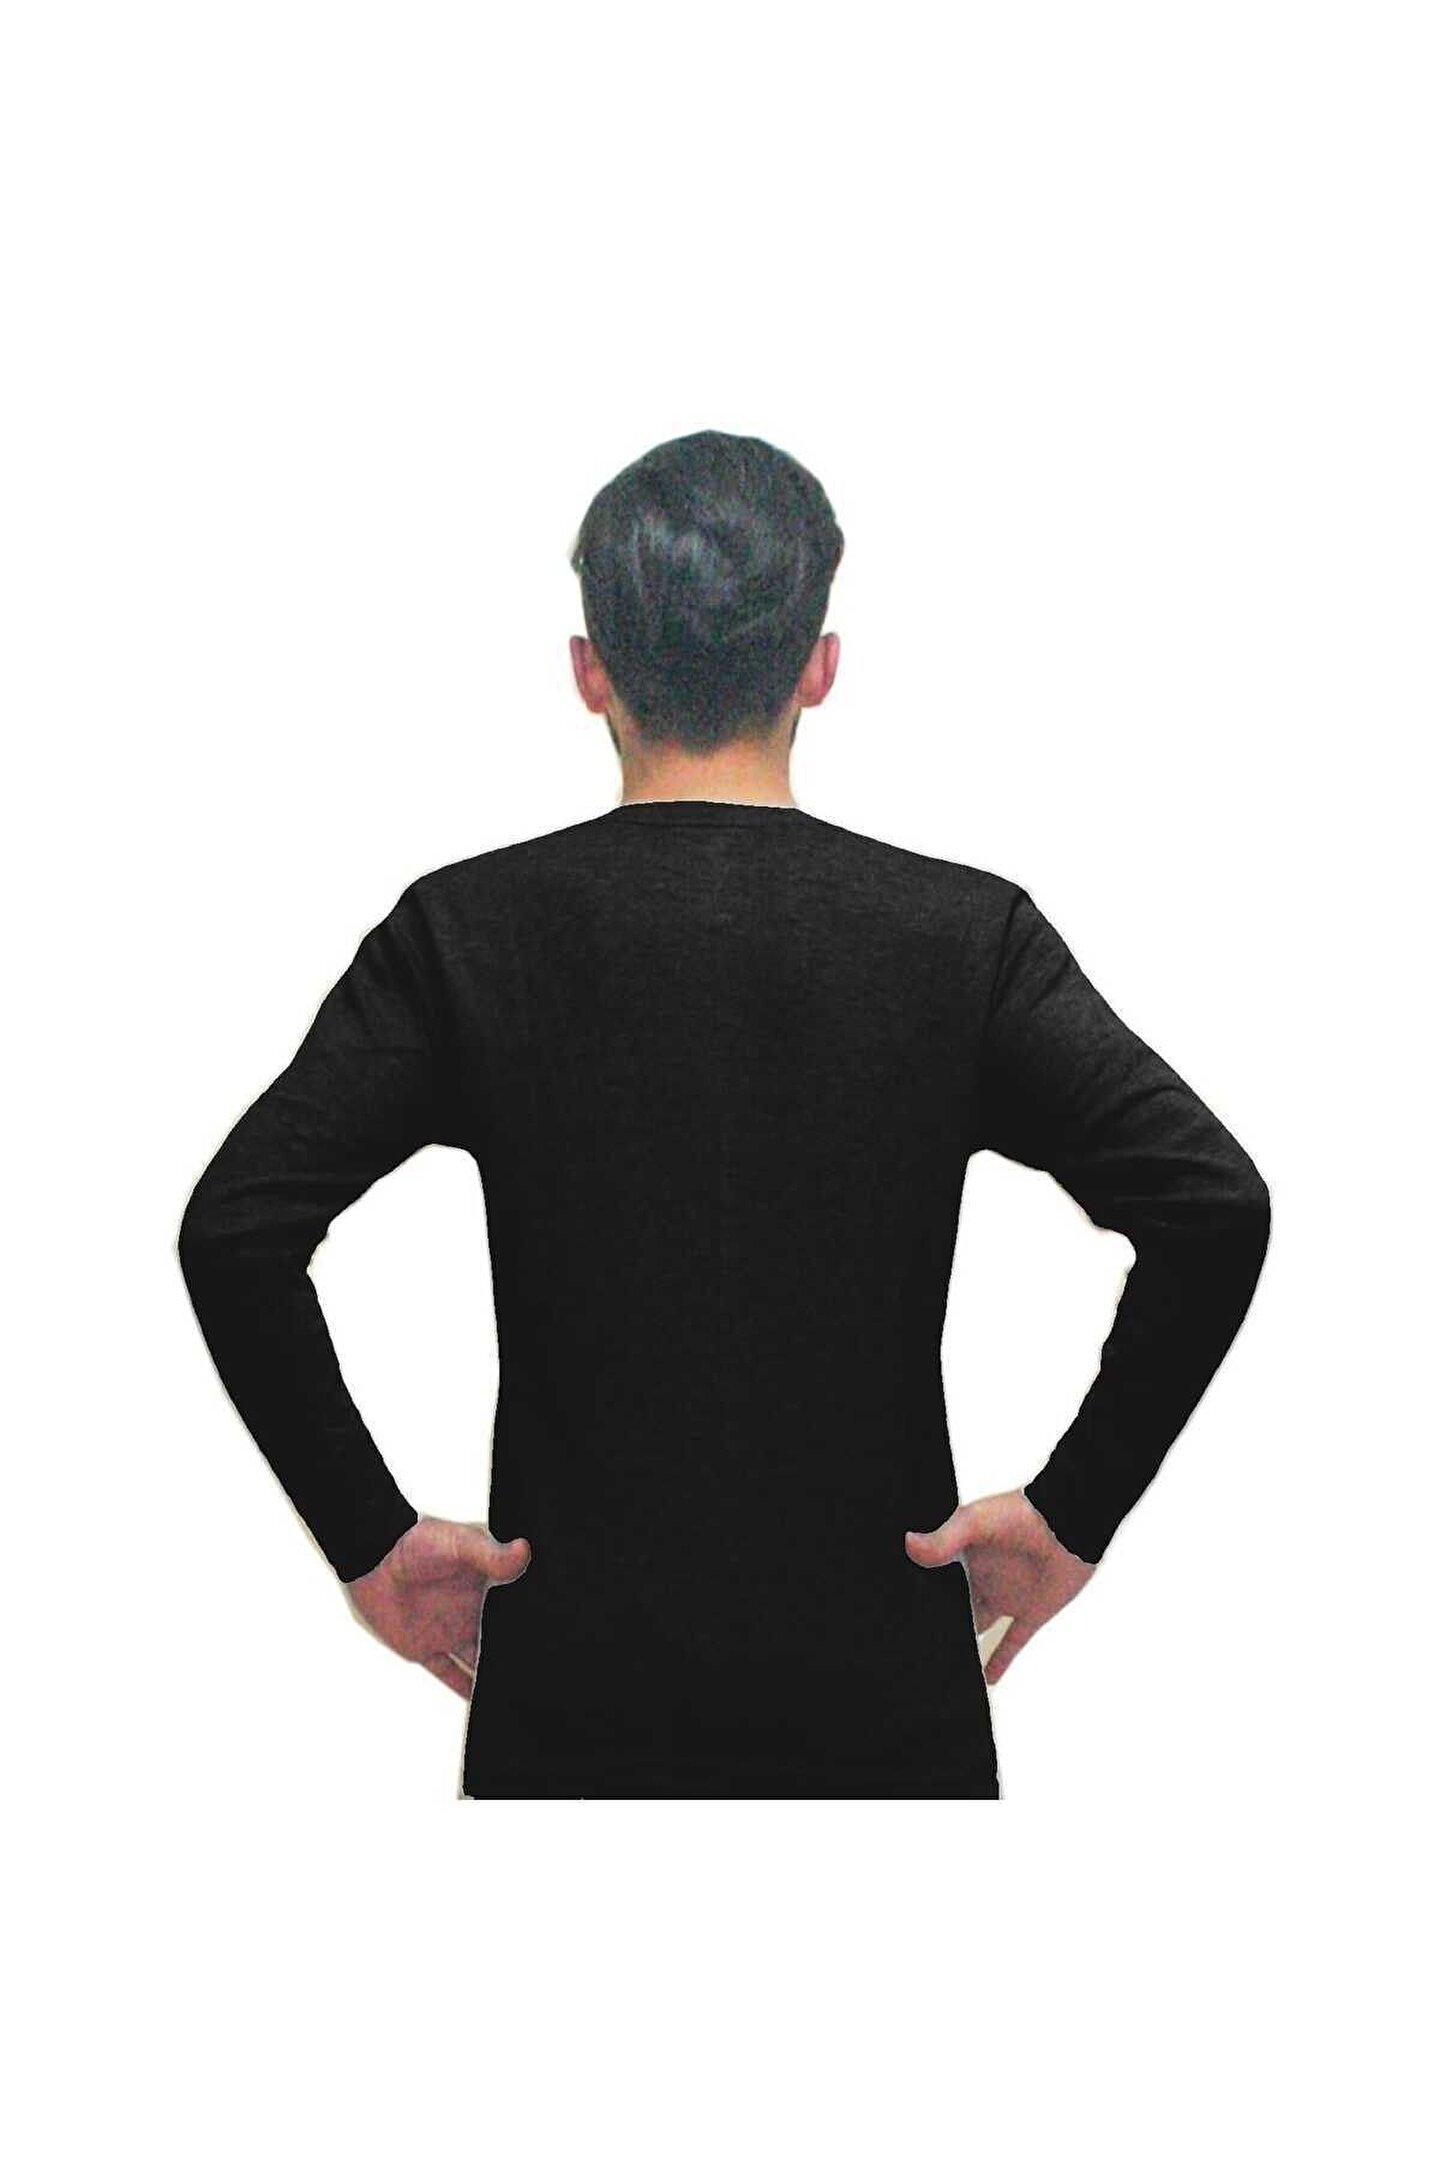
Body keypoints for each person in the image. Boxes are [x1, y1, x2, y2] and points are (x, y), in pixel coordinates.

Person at [176, 428, 1271, 1799]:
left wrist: (366, 1535)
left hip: (574, 1708)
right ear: (819, 665)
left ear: (591, 670)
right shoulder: (963, 939)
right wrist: (1074, 1510)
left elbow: (236, 1232)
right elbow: (1212, 1208)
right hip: (885, 1710)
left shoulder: (465, 935)